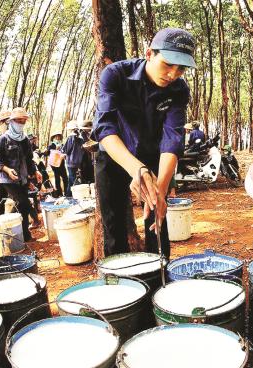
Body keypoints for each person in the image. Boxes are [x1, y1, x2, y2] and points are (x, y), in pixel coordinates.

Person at [92, 27, 196, 258]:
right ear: (149, 54)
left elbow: (173, 137)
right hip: (113, 155)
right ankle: (117, 284)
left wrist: (160, 190)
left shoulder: (179, 89)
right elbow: (105, 127)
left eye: (181, 69)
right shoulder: (114, 75)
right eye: (168, 64)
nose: (172, 74)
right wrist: (136, 169)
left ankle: (161, 278)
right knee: (114, 223)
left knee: (157, 218)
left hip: (154, 157)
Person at [0, 107, 41, 242]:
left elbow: (29, 159)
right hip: (8, 180)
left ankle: (24, 235)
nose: (21, 124)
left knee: (23, 206)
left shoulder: (25, 140)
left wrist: (35, 172)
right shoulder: (3, 139)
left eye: (23, 121)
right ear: (11, 122)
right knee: (22, 202)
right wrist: (7, 170)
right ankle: (14, 234)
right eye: (18, 121)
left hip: (22, 179)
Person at [0, 110, 11, 215]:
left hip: (12, 174)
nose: (0, 125)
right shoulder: (1, 138)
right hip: (3, 174)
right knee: (0, 196)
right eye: (0, 123)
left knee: (19, 199)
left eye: (2, 123)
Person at [46, 130, 70, 197]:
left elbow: (64, 152)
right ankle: (59, 193)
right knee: (57, 178)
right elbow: (47, 153)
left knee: (65, 178)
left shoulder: (62, 145)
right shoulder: (51, 145)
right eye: (56, 137)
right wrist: (55, 150)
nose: (57, 138)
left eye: (59, 137)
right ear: (53, 138)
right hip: (54, 164)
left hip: (61, 164)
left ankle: (66, 192)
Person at [63, 120, 85, 189]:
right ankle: (68, 194)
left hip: (71, 162)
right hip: (78, 161)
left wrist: (61, 149)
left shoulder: (70, 138)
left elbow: (66, 150)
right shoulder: (81, 138)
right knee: (70, 178)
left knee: (73, 179)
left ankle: (80, 192)